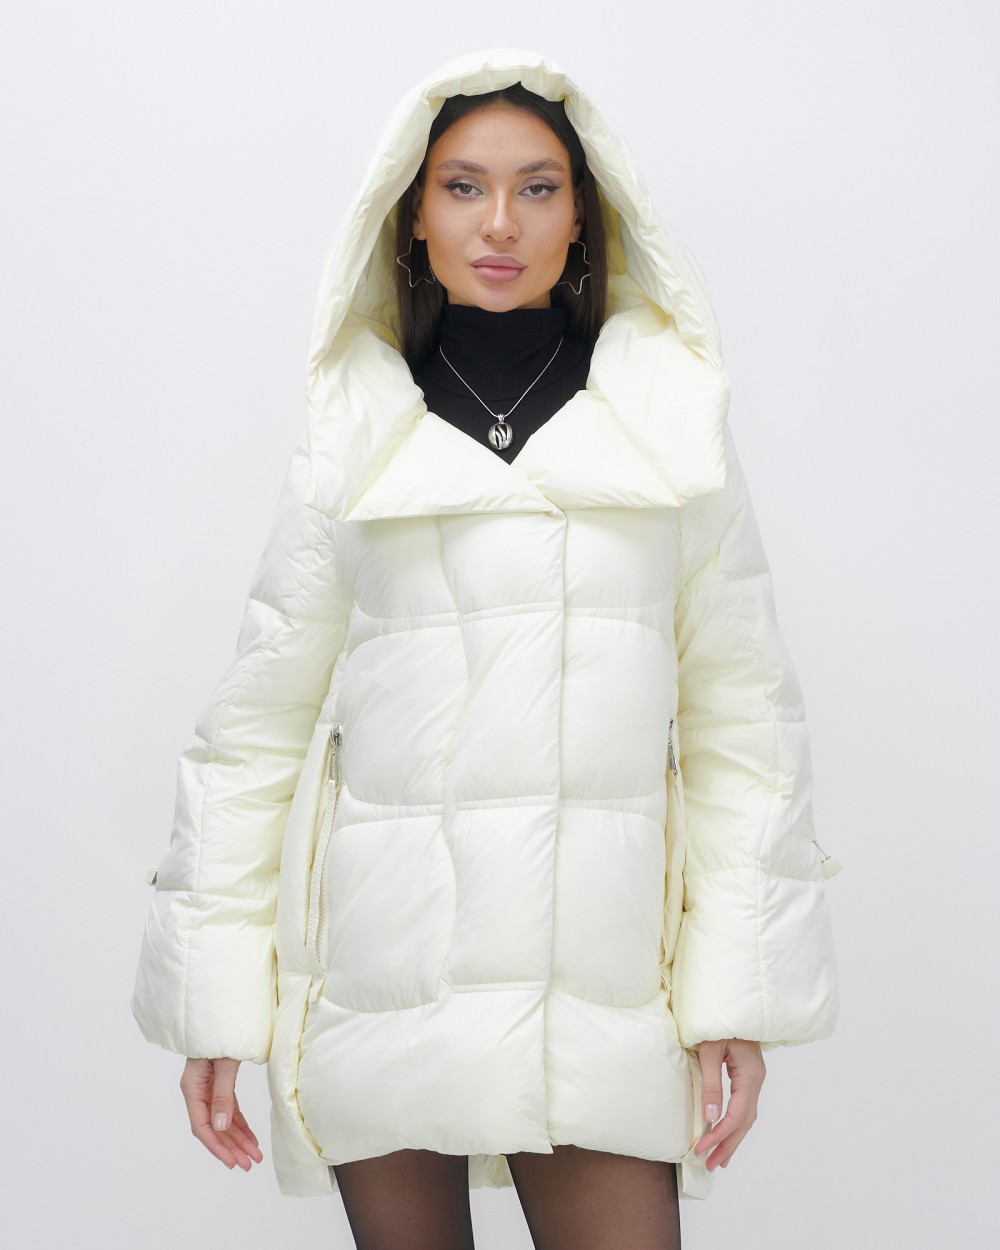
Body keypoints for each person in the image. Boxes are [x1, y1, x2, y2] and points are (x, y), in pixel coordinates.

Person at [131, 48, 841, 1250]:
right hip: (383, 975)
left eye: (536, 187)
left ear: (583, 213)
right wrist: (214, 1001)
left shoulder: (668, 432)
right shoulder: (355, 431)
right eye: (462, 186)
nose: (499, 221)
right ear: (413, 213)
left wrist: (739, 990)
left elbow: (743, 725)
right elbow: (252, 731)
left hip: (599, 985)